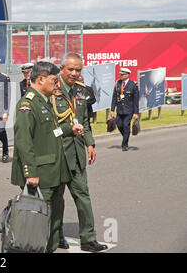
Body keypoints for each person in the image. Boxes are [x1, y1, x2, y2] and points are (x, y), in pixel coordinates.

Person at [11, 61, 84, 253]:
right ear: (41, 79)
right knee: (39, 224)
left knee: (54, 220)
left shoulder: (43, 100)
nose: (56, 84)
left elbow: (51, 132)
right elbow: (24, 142)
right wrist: (30, 173)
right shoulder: (27, 104)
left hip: (53, 173)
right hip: (41, 175)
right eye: (53, 80)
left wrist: (69, 129)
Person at [51, 53, 107, 252]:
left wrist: (90, 144)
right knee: (57, 199)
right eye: (71, 69)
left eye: (78, 70)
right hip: (57, 155)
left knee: (83, 196)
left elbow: (84, 121)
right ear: (62, 69)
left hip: (76, 154)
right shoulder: (51, 91)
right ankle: (57, 235)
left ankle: (88, 238)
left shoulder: (82, 91)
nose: (74, 74)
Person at [110, 67, 139, 151]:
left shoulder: (133, 85)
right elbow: (114, 97)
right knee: (119, 125)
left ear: (127, 75)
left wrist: (136, 113)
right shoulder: (117, 83)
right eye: (120, 74)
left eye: (122, 75)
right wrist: (112, 109)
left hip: (129, 110)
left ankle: (124, 144)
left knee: (126, 125)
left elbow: (136, 100)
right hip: (120, 109)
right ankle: (126, 135)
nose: (121, 76)